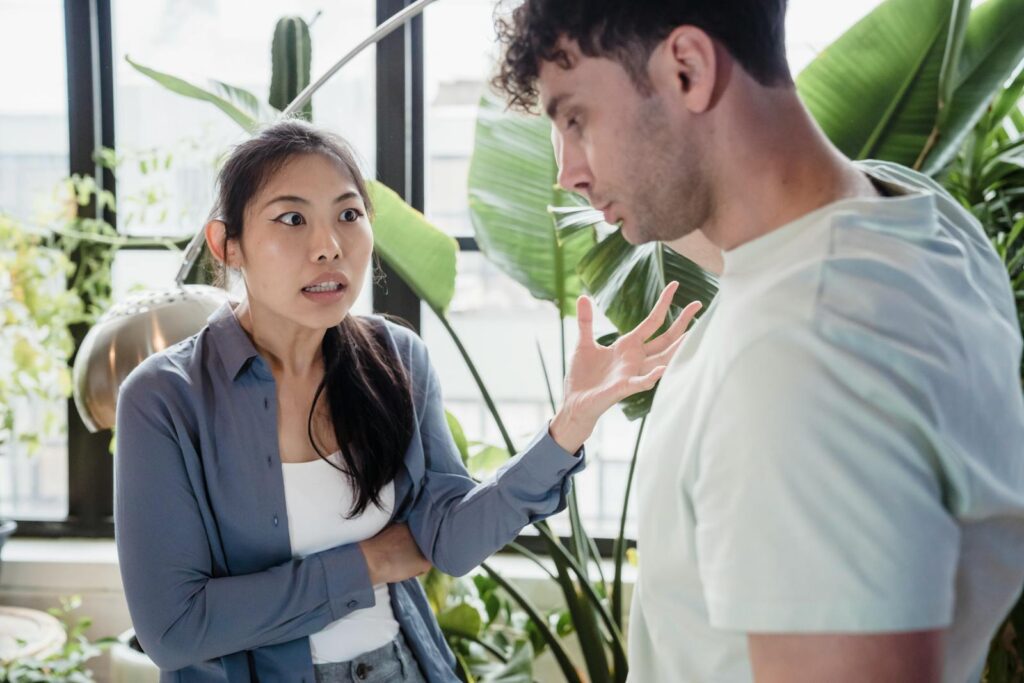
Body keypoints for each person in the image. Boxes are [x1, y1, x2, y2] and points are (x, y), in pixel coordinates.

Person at [492, 1, 1024, 681]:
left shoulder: (798, 358)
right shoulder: (914, 217)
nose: (567, 171)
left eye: (575, 119)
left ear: (687, 68)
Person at [113, 119, 701, 683]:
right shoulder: (164, 400)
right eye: (291, 219)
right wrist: (370, 561)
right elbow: (176, 630)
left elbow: (450, 540)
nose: (328, 247)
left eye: (348, 215)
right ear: (227, 244)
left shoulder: (397, 358)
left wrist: (570, 424)